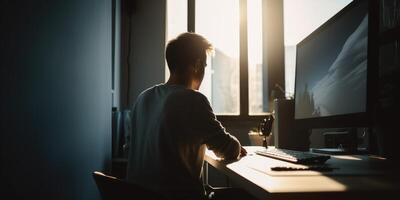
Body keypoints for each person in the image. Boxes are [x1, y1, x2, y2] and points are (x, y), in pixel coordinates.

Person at [126, 32, 251, 200]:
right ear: (198, 65)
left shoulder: (143, 98)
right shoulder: (193, 100)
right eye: (205, 66)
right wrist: (237, 146)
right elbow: (228, 150)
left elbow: (132, 148)